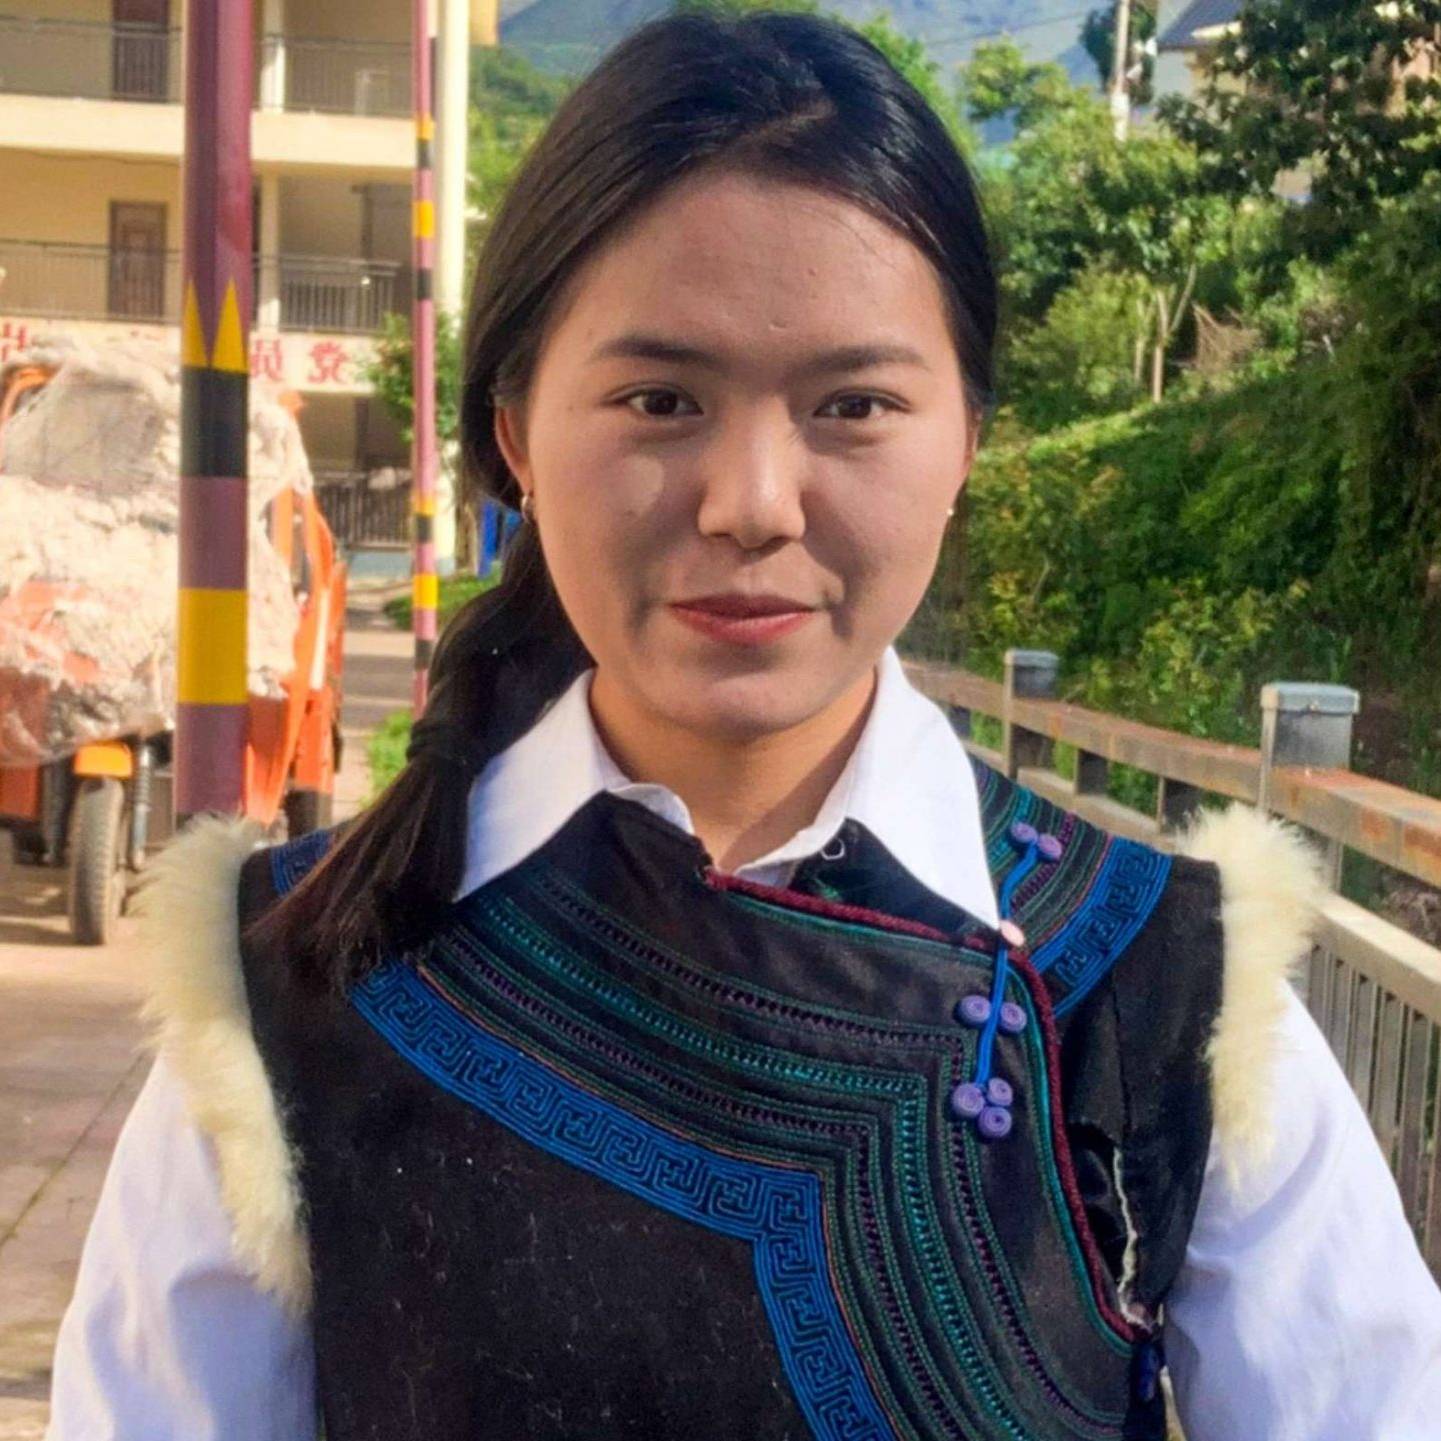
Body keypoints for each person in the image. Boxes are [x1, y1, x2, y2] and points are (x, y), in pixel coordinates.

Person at [46, 11, 1441, 1440]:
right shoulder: (291, 988)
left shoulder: (1160, 991)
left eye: (852, 404)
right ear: (517, 429)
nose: (752, 500)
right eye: (660, 398)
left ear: (965, 433)